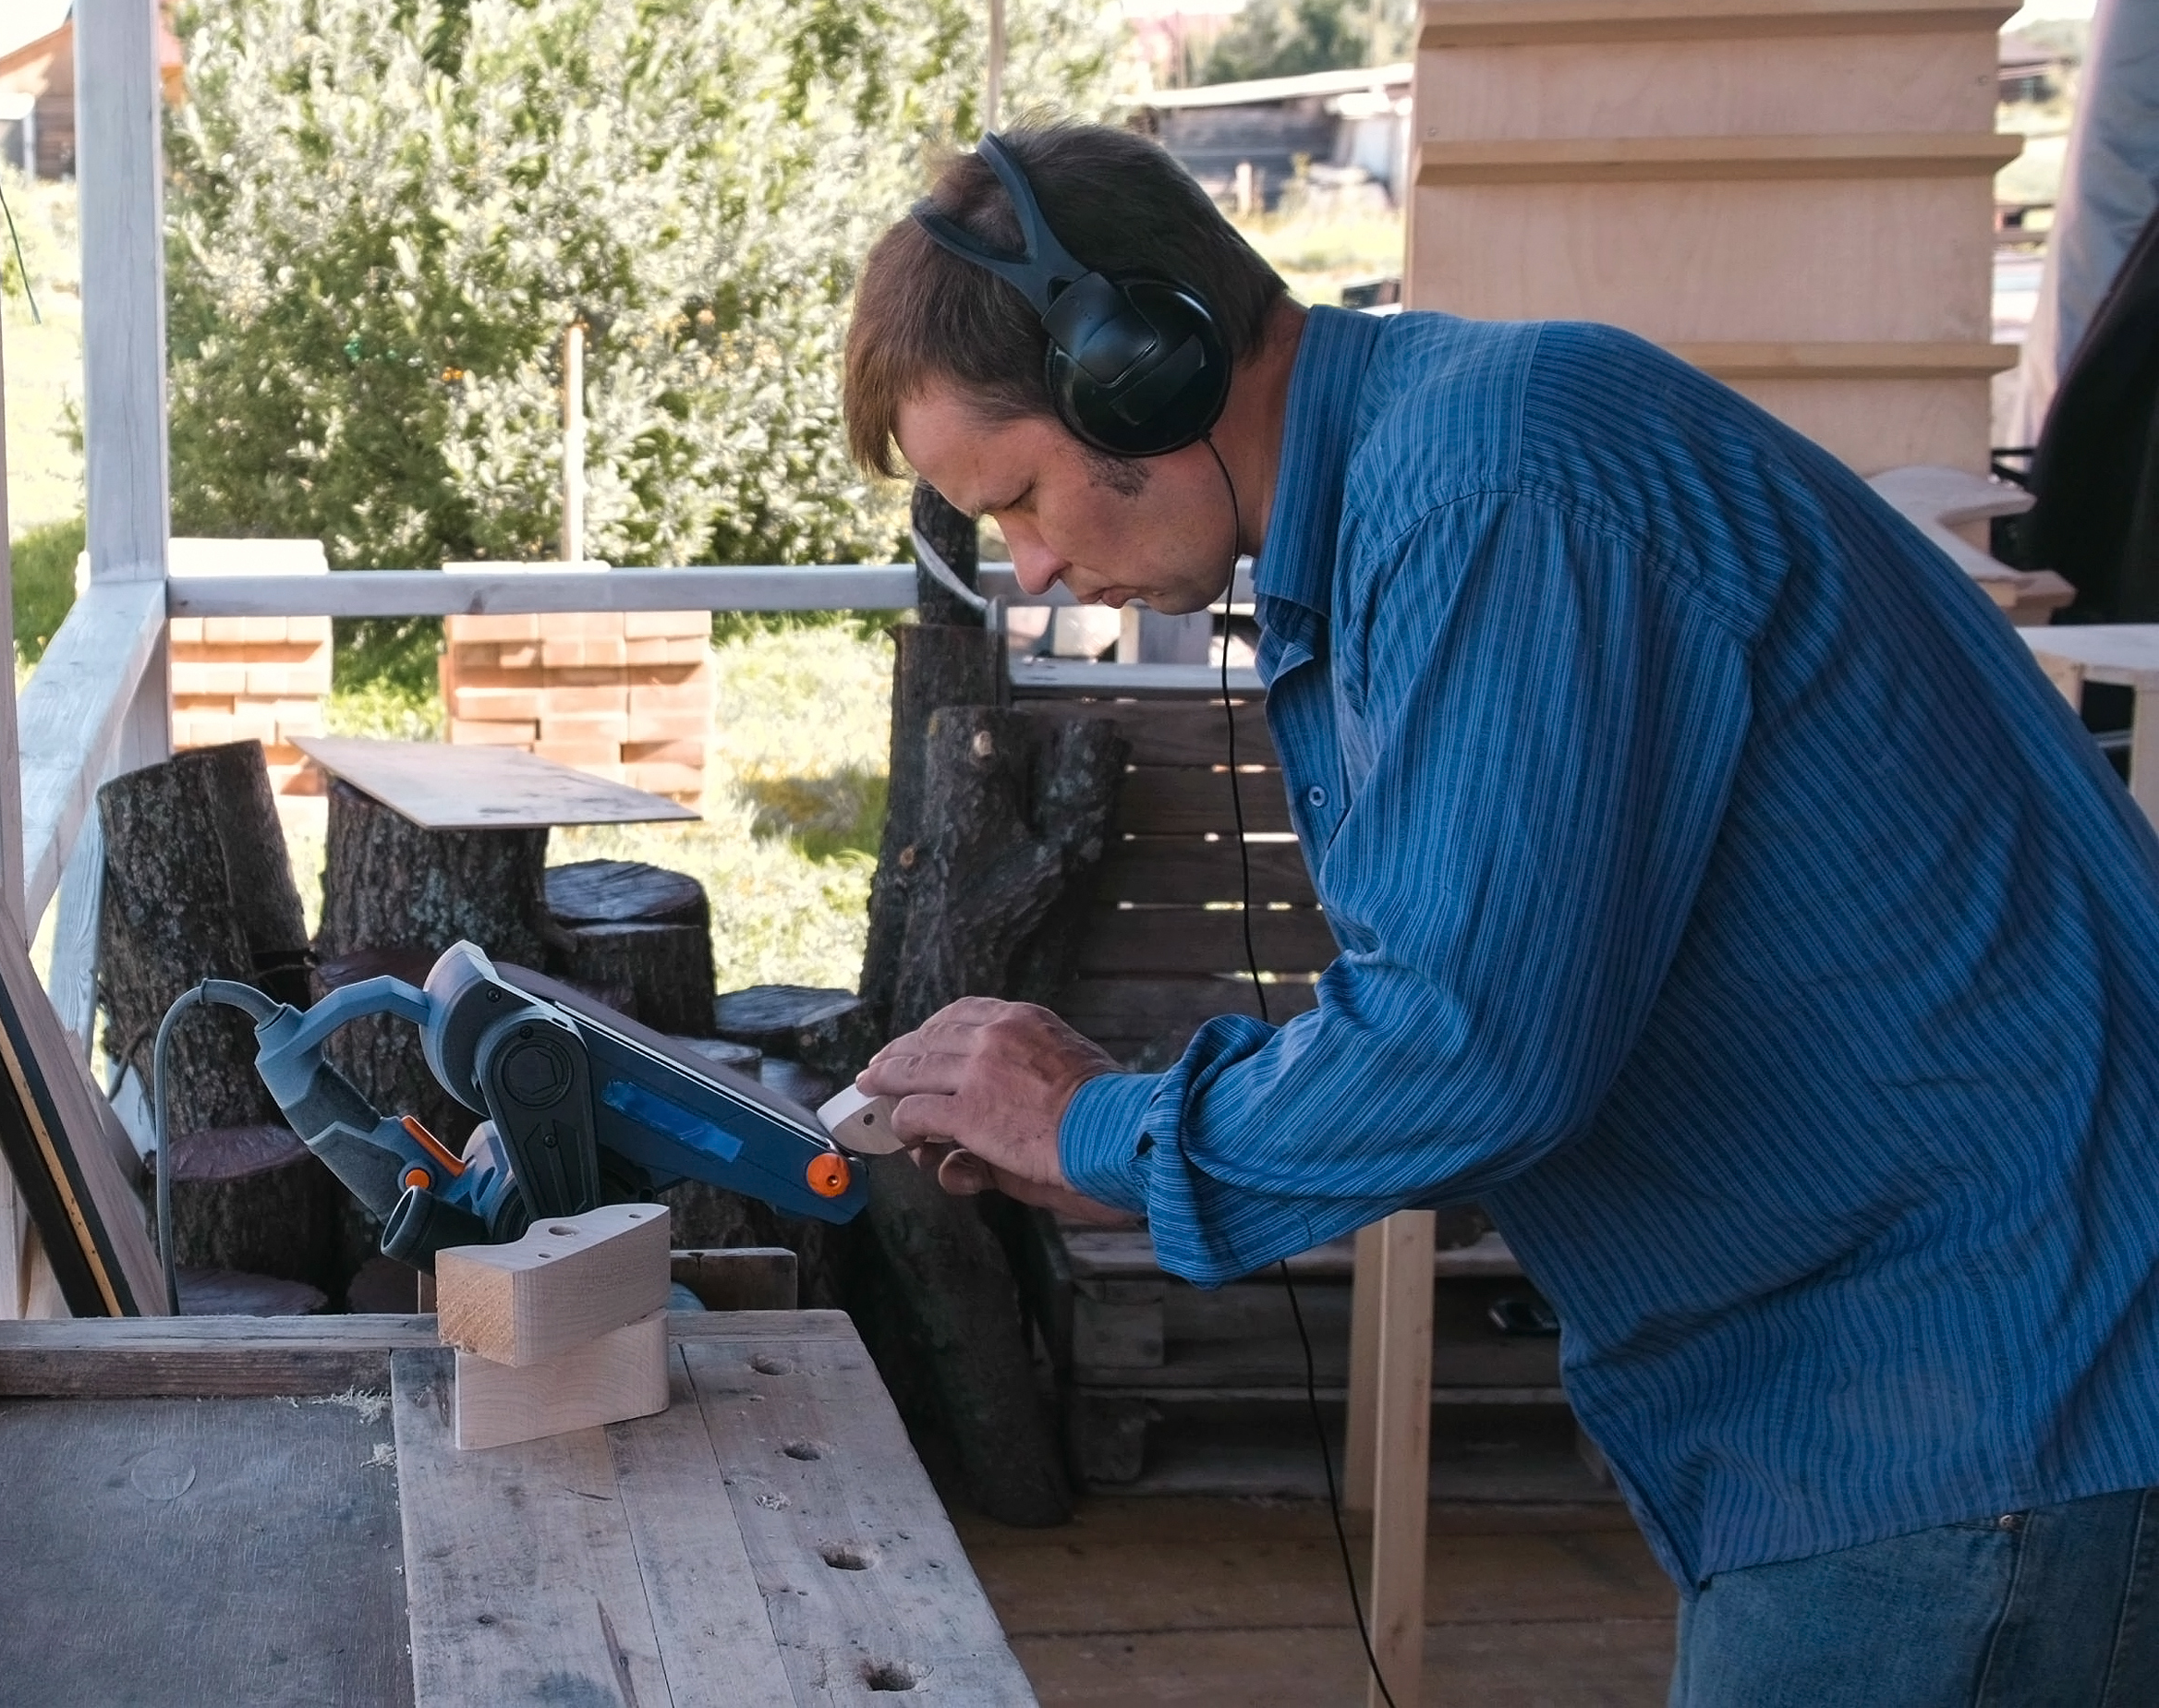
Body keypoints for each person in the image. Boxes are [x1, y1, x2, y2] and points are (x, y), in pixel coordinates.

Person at [843, 123, 2159, 1704]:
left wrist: (1101, 1133)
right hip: (1889, 1398)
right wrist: (1112, 1133)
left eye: (1024, 499)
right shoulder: (1427, 477)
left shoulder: (1490, 492)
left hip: (1977, 1398)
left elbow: (1474, 1051)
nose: (1039, 567)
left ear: (1148, 371)